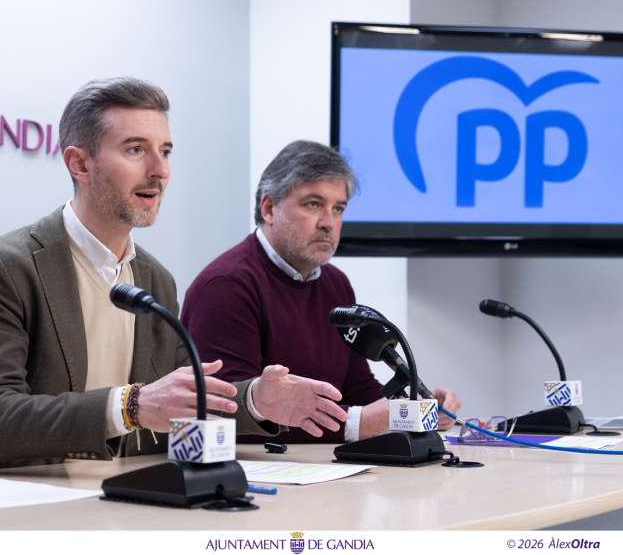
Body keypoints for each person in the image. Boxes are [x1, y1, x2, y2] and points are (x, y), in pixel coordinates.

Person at [0, 80, 346, 471]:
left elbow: (182, 401)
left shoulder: (155, 280)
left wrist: (256, 399)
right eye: (136, 149)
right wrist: (130, 406)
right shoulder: (5, 267)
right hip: (21, 496)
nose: (160, 171)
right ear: (79, 164)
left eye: (165, 151)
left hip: (125, 495)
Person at [181, 140, 461, 443]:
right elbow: (227, 413)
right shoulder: (226, 286)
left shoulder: (335, 284)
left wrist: (415, 409)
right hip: (258, 471)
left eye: (338, 208)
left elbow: (356, 388)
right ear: (269, 209)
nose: (329, 223)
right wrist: (357, 423)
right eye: (313, 204)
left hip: (321, 467)